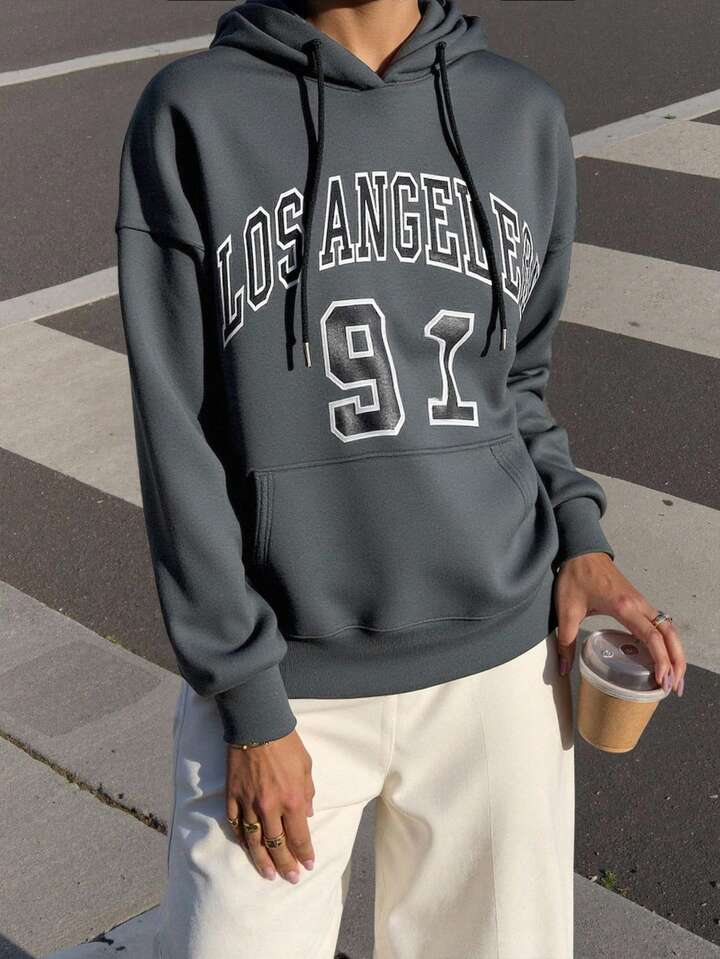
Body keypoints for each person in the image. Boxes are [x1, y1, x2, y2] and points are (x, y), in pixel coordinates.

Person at [114, 1, 686, 956]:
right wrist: (247, 700)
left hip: (499, 671)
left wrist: (582, 542)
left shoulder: (520, 115)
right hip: (283, 680)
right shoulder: (195, 113)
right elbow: (177, 438)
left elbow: (518, 386)